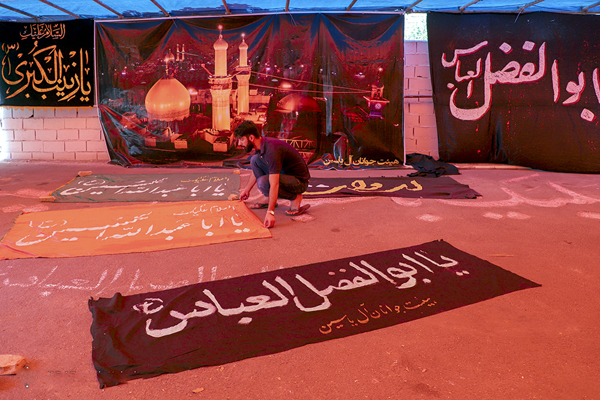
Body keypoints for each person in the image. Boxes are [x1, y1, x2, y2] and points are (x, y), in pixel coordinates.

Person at [235, 120, 311, 228]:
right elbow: (257, 169)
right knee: (254, 160)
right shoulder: (261, 146)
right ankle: (268, 197)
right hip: (285, 175)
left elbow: (274, 184)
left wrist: (270, 212)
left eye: (242, 139)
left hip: (298, 181)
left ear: (251, 138)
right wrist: (247, 190)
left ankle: (295, 197)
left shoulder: (271, 150)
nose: (239, 143)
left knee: (263, 182)